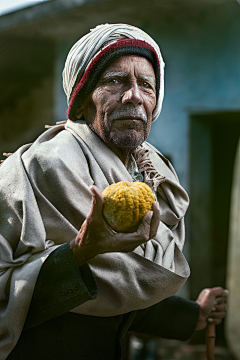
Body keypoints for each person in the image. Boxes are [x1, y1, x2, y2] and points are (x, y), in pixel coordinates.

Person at [0, 24, 227, 360]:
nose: (134, 95)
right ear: (80, 103)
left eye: (146, 85)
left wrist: (192, 315)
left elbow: (117, 288)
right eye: (114, 81)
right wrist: (80, 251)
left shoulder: (151, 175)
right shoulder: (35, 171)